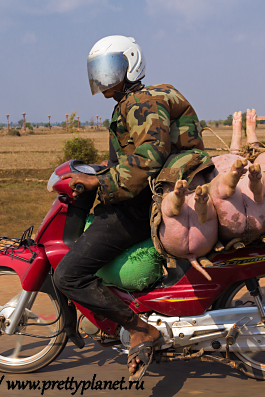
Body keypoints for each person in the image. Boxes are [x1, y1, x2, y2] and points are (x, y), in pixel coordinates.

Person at [53, 35, 212, 379]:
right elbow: (134, 156)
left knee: (68, 274)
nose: (104, 78)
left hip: (146, 205)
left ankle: (139, 328)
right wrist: (101, 172)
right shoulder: (141, 98)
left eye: (110, 69)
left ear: (131, 63)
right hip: (157, 196)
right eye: (99, 71)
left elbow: (149, 158)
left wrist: (101, 183)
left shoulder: (141, 102)